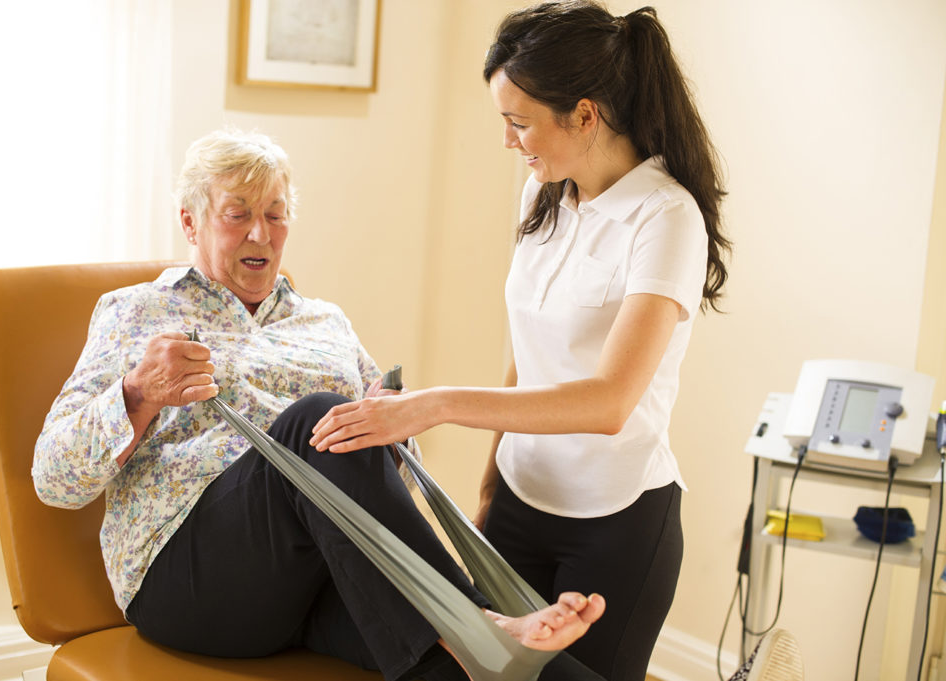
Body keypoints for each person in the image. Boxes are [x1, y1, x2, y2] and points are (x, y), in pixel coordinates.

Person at [31, 128, 611, 681]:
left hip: (310, 581)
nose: (260, 234)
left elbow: (384, 487)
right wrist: (137, 394)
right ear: (191, 221)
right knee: (321, 419)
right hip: (188, 582)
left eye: (275, 214)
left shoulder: (325, 322)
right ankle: (476, 617)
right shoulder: (136, 311)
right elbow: (54, 480)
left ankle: (489, 639)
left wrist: (394, 431)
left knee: (466, 663)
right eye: (237, 214)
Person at [309, 3, 732, 680]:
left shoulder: (665, 217)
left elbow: (609, 402)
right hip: (518, 501)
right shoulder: (544, 196)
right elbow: (525, 355)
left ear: (585, 116)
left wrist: (434, 405)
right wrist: (490, 489)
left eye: (520, 121)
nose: (509, 140)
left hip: (616, 522)